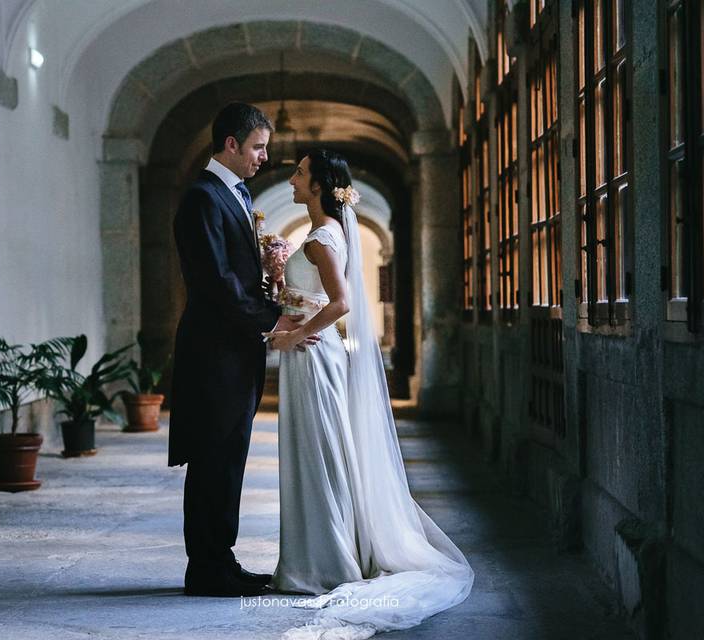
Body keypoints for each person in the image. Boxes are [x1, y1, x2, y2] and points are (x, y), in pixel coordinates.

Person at [265, 150, 474, 638]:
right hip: (313, 354)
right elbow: (314, 297)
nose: (292, 179)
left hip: (313, 356)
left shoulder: (320, 239)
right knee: (317, 448)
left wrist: (293, 336)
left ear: (318, 187)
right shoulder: (327, 234)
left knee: (319, 451)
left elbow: (341, 302)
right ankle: (320, 554)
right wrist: (279, 283)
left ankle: (327, 560)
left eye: (299, 173)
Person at [168, 103, 318, 598]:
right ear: (230, 144)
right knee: (212, 459)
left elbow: (240, 275)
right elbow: (215, 281)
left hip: (235, 350)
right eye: (257, 147)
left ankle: (221, 560)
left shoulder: (234, 193)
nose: (263, 157)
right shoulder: (202, 199)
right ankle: (205, 569)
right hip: (213, 353)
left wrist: (272, 291)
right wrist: (274, 318)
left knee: (229, 458)